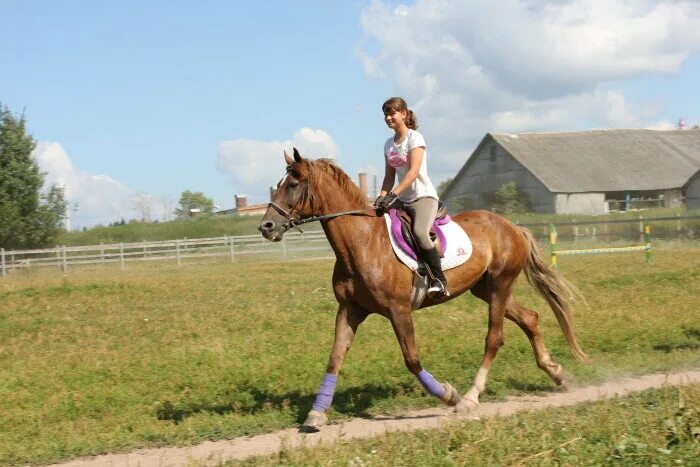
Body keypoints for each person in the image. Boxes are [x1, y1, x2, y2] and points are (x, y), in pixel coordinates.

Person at [375, 97, 448, 297]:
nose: (388, 118)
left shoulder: (415, 138)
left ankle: (439, 280)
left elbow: (413, 172)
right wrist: (381, 198)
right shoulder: (388, 144)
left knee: (420, 232)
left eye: (392, 113)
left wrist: (392, 195)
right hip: (400, 199)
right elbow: (389, 177)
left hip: (423, 197)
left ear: (404, 114)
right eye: (385, 115)